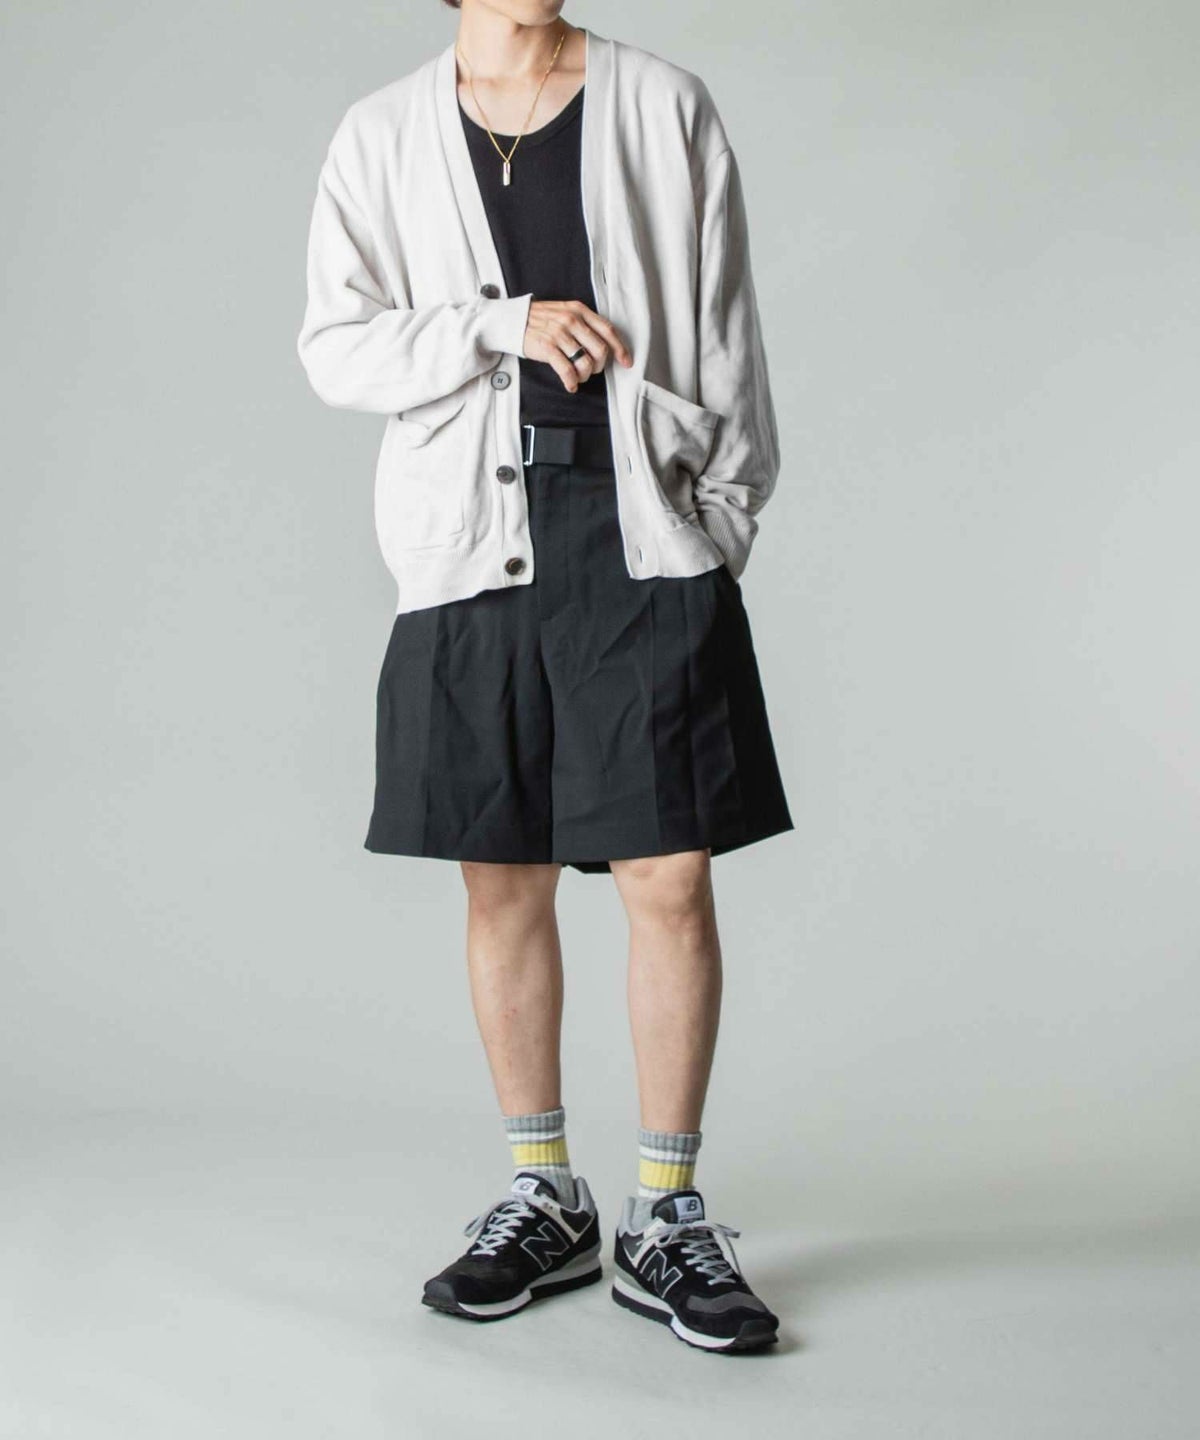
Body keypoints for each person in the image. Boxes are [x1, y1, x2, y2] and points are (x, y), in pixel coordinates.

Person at [297, 1, 792, 1354]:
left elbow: (728, 330)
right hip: (470, 542)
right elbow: (336, 345)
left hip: (639, 529)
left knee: (669, 875)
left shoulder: (664, 105)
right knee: (500, 873)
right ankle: (544, 1193)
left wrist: (718, 521)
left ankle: (666, 1212)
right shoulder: (381, 133)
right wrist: (499, 325)